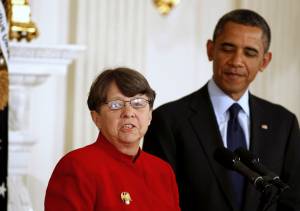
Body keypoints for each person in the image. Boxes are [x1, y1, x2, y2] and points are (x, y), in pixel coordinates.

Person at [143, 9, 300, 211]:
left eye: (249, 52)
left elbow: (292, 200)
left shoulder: (283, 123)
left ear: (264, 61)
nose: (236, 61)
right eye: (227, 48)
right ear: (210, 49)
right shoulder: (169, 120)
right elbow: (157, 202)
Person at [44, 67, 181, 211]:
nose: (129, 113)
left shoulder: (162, 172)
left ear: (150, 115)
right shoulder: (77, 166)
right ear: (96, 118)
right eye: (116, 105)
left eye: (138, 103)